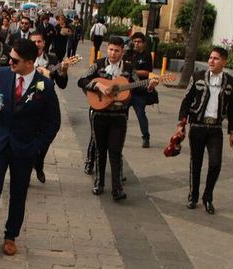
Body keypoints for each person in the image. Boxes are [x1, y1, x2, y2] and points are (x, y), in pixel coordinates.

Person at [0, 39, 61, 260]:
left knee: (18, 193)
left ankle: (11, 236)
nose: (10, 62)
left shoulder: (45, 85)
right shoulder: (2, 74)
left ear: (30, 62)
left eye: (15, 60)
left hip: (25, 147)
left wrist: (38, 147)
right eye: (9, 58)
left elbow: (53, 122)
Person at [78, 36, 157, 200]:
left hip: (119, 116)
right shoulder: (98, 64)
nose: (113, 53)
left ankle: (117, 188)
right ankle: (99, 183)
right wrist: (98, 85)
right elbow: (82, 80)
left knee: (115, 151)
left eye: (117, 51)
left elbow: (138, 89)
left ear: (122, 52)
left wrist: (149, 86)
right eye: (111, 49)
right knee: (100, 150)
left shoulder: (129, 69)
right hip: (99, 113)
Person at [177, 47, 233, 214]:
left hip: (215, 129)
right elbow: (186, 100)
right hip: (197, 126)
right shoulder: (197, 76)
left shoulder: (231, 81)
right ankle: (193, 195)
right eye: (210, 58)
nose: (211, 61)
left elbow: (232, 108)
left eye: (216, 58)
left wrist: (232, 132)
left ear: (224, 61)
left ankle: (208, 197)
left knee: (216, 163)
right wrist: (181, 124)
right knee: (195, 163)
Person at [30, 31, 68, 184]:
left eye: (39, 41)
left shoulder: (52, 59)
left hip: (49, 100)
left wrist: (63, 72)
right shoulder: (24, 57)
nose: (37, 44)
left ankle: (38, 160)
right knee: (30, 132)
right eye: (34, 42)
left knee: (53, 127)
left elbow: (62, 84)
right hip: (30, 100)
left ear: (44, 43)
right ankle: (28, 168)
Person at [124, 32, 153, 148]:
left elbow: (147, 72)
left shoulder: (146, 55)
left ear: (143, 43)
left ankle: (146, 137)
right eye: (135, 41)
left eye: (139, 42)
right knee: (122, 115)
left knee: (141, 114)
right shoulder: (128, 54)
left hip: (139, 90)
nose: (136, 44)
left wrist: (133, 71)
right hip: (125, 90)